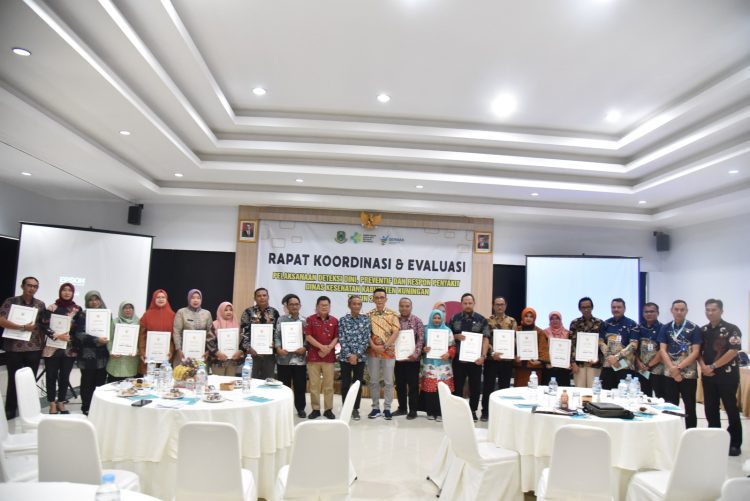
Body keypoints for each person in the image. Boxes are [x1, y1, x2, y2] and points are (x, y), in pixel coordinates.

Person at [698, 298, 743, 456]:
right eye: (707, 310)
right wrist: (703, 367)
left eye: (713, 310)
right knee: (710, 408)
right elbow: (698, 352)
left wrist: (713, 366)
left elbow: (733, 351)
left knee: (731, 408)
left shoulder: (732, 329)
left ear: (721, 311)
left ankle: (735, 443)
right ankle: (714, 439)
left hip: (727, 376)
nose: (710, 313)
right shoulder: (703, 330)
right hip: (708, 375)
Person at [0, 276, 47, 420]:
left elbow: (43, 324)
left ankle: (28, 410)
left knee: (30, 380)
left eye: (35, 286)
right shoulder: (11, 301)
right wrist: (22, 327)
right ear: (22, 286)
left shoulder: (40, 304)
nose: (32, 288)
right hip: (14, 348)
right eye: (29, 285)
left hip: (34, 348)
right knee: (13, 379)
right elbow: (1, 320)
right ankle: (10, 409)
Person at [658, 299, 702, 429]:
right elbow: (662, 350)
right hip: (670, 372)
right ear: (671, 311)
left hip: (688, 373)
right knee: (671, 405)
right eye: (676, 309)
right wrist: (672, 368)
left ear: (686, 311)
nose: (679, 312)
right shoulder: (665, 328)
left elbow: (696, 352)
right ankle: (672, 431)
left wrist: (678, 368)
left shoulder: (694, 328)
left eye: (682, 310)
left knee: (690, 406)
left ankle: (690, 433)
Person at [41, 282, 80, 414]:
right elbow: (44, 325)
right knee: (51, 376)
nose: (67, 292)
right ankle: (52, 403)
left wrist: (72, 331)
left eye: (70, 290)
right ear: (60, 291)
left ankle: (61, 402)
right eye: (64, 290)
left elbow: (79, 328)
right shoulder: (52, 307)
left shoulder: (77, 309)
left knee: (64, 376)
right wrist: (57, 336)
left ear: (73, 293)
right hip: (52, 347)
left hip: (69, 349)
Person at [449, 293, 489, 421]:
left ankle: (472, 411)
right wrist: (455, 336)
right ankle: (458, 411)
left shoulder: (482, 319)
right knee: (457, 387)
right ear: (461, 304)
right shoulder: (454, 318)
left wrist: (483, 356)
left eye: (470, 303)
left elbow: (486, 339)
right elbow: (447, 335)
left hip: (475, 361)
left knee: (475, 388)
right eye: (465, 303)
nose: (468, 305)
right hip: (458, 360)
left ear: (474, 304)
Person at [74, 290, 111, 415]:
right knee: (87, 382)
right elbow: (79, 334)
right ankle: (86, 407)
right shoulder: (82, 315)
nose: (94, 302)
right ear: (87, 302)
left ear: (100, 300)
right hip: (87, 355)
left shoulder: (107, 314)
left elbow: (111, 332)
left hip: (102, 355)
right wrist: (96, 339)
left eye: (96, 299)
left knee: (100, 383)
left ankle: (98, 408)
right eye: (91, 300)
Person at [366, 288, 400, 420]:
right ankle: (375, 408)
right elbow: (366, 333)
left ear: (386, 299)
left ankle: (387, 409)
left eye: (382, 297)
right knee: (373, 381)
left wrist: (385, 346)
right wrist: (374, 346)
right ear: (373, 299)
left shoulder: (393, 314)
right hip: (373, 352)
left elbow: (396, 332)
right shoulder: (368, 315)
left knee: (388, 382)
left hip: (388, 352)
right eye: (377, 297)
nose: (379, 300)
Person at [481, 296, 517, 421]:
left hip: (506, 361)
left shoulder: (512, 321)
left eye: (502, 304)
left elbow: (514, 340)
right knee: (488, 387)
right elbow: (485, 339)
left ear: (505, 305)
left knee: (504, 388)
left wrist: (511, 353)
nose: (499, 307)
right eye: (497, 304)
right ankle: (485, 412)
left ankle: (503, 413)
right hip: (491, 360)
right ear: (493, 306)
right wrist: (492, 352)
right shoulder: (488, 321)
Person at [304, 296, 338, 419]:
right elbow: (308, 336)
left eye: (326, 305)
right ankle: (316, 409)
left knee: (329, 385)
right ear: (317, 306)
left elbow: (336, 337)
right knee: (314, 385)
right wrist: (321, 347)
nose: (324, 307)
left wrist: (328, 348)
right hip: (314, 357)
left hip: (329, 358)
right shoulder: (310, 319)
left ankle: (328, 409)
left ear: (329, 307)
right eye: (321, 305)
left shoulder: (334, 320)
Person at [274, 295, 308, 418]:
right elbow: (277, 336)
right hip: (284, 359)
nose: (294, 306)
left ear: (300, 306)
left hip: (300, 360)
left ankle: (300, 408)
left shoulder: (305, 321)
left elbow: (308, 338)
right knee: (284, 386)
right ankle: (284, 409)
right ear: (287, 306)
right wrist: (278, 349)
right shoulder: (281, 319)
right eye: (291, 304)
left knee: (300, 386)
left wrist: (304, 347)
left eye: (296, 304)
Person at [338, 295, 370, 421]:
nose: (357, 306)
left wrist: (356, 355)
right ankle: (346, 408)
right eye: (354, 304)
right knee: (345, 384)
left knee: (357, 384)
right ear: (349, 305)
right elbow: (341, 338)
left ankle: (355, 409)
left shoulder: (365, 320)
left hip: (360, 358)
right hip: (345, 358)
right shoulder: (343, 320)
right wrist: (349, 355)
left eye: (359, 304)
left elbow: (366, 339)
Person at [421, 309, 456, 421]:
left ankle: (441, 413)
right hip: (429, 364)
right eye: (434, 318)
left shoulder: (447, 331)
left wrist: (449, 353)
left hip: (443, 365)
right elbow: (420, 345)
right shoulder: (425, 330)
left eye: (439, 318)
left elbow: (453, 346)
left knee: (443, 390)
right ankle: (430, 412)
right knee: (430, 389)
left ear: (442, 319)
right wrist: (424, 349)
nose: (436, 320)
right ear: (431, 318)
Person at [393, 298, 424, 419]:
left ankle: (413, 410)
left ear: (411, 307)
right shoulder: (394, 320)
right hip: (398, 359)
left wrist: (416, 354)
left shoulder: (417, 321)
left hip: (413, 360)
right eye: (402, 306)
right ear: (399, 307)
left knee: (413, 386)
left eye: (407, 306)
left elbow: (420, 339)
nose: (404, 308)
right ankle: (402, 408)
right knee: (399, 385)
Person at [598, 298, 639, 390]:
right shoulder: (606, 323)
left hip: (625, 365)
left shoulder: (632, 324)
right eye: (613, 307)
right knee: (606, 393)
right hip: (608, 364)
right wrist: (610, 357)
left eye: (619, 307)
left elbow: (633, 345)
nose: (616, 309)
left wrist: (616, 358)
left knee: (624, 394)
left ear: (624, 308)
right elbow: (600, 342)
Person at [241, 287, 279, 379]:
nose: (262, 297)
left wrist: (276, 344)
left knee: (268, 380)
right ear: (255, 298)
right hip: (252, 353)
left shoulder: (274, 312)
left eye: (264, 295)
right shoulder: (248, 312)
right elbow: (243, 332)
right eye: (259, 296)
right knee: (251, 380)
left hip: (269, 353)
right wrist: (248, 348)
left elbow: (278, 332)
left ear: (268, 297)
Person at [137, 289, 176, 375]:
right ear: (154, 299)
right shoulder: (147, 315)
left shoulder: (173, 315)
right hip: (149, 356)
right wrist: (142, 352)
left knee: (164, 379)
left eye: (163, 297)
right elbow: (142, 336)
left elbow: (174, 338)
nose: (161, 299)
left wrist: (171, 351)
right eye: (158, 297)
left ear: (166, 299)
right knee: (149, 380)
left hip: (166, 356)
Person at [569, 297, 603, 388]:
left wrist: (598, 359)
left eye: (588, 307)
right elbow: (571, 344)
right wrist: (573, 363)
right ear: (579, 309)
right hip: (579, 364)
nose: (586, 309)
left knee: (594, 390)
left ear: (592, 307)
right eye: (583, 307)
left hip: (594, 364)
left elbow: (602, 344)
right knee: (580, 391)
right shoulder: (574, 323)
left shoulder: (600, 323)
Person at [172, 289, 212, 364]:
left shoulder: (207, 313)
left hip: (201, 353)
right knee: (183, 371)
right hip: (183, 352)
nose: (195, 300)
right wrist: (178, 349)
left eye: (198, 298)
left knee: (200, 371)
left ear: (201, 300)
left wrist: (208, 350)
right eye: (193, 298)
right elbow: (176, 332)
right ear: (188, 299)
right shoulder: (181, 312)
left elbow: (210, 333)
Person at [105, 301, 140, 383]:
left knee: (130, 387)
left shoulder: (138, 322)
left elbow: (140, 340)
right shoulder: (114, 322)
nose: (128, 310)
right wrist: (111, 351)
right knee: (113, 386)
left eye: (130, 308)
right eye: (125, 308)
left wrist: (137, 351)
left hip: (131, 359)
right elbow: (110, 339)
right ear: (121, 309)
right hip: (116, 359)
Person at [514, 307, 549, 387]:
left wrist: (540, 361)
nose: (528, 318)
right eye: (526, 316)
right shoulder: (517, 330)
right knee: (519, 391)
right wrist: (514, 357)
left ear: (534, 318)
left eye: (531, 316)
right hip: (520, 368)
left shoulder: (540, 332)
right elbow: (512, 347)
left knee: (533, 391)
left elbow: (543, 349)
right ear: (523, 317)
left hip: (534, 369)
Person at [206, 302, 244, 376]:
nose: (229, 312)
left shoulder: (238, 324)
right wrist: (217, 353)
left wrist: (239, 352)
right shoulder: (214, 324)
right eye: (226, 310)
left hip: (233, 360)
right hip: (218, 360)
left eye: (230, 310)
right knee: (218, 381)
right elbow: (210, 341)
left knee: (230, 381)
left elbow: (242, 340)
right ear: (220, 311)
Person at [636, 302, 664, 398]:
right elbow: (635, 348)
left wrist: (649, 365)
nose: (649, 314)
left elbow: (662, 351)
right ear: (643, 314)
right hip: (642, 368)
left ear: (658, 313)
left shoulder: (663, 328)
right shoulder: (638, 328)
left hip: (658, 369)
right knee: (644, 396)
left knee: (660, 396)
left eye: (652, 311)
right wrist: (639, 363)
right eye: (646, 312)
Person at [544, 311, 572, 387]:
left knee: (563, 390)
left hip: (564, 368)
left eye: (557, 318)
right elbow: (543, 349)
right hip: (549, 368)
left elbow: (571, 349)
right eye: (552, 319)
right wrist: (546, 362)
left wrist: (569, 362)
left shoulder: (567, 333)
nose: (555, 320)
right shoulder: (544, 332)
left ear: (561, 320)